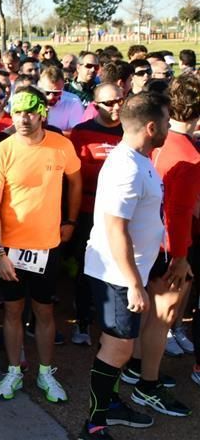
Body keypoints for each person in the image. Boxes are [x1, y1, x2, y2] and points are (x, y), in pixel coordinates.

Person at [78, 91, 172, 439]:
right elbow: (114, 226)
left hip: (128, 272)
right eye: (164, 120)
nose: (168, 126)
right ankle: (94, 423)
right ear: (151, 126)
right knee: (118, 347)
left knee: (117, 345)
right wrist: (133, 282)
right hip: (117, 274)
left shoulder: (139, 158)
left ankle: (110, 404)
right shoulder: (127, 168)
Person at [0, 87, 81, 403]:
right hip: (11, 247)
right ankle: (13, 371)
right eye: (17, 112)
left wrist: (70, 220)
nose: (23, 119)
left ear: (42, 112)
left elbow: (76, 180)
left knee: (44, 311)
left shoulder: (61, 145)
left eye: (29, 111)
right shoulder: (2, 150)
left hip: (47, 246)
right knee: (12, 312)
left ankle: (44, 373)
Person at [126, 76, 200, 418]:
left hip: (151, 240)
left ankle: (137, 367)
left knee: (151, 316)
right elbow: (179, 212)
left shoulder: (162, 142)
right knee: (162, 316)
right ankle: (148, 385)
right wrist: (181, 257)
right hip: (169, 246)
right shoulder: (187, 154)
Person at [68, 84, 125, 345]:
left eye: (119, 101)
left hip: (123, 213)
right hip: (88, 212)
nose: (115, 107)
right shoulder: (82, 133)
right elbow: (77, 176)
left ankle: (111, 327)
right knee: (86, 266)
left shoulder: (129, 130)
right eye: (108, 103)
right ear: (95, 104)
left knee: (118, 269)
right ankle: (82, 321)